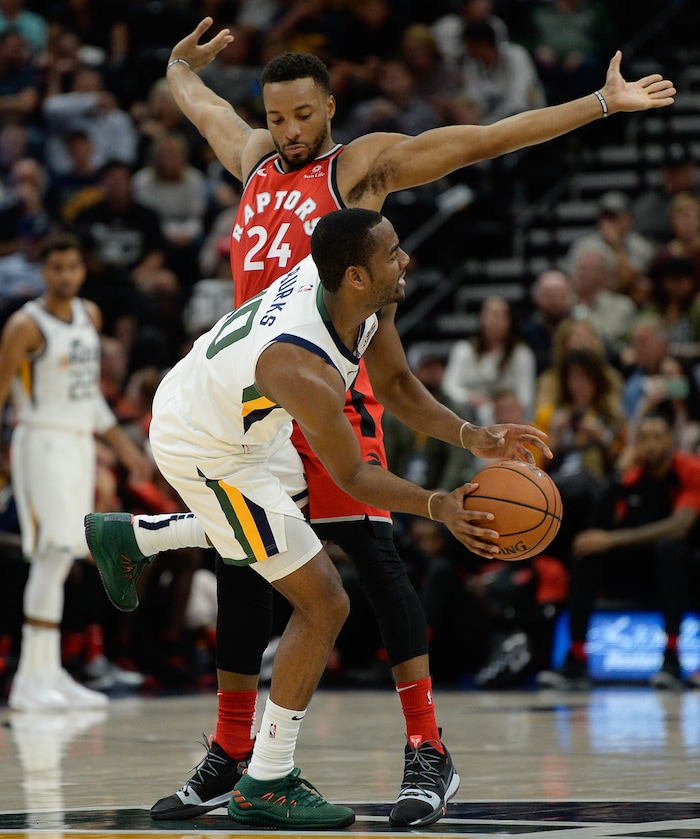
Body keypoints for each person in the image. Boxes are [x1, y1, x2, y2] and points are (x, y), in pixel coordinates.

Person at [85, 15, 675, 826]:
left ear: (330, 106)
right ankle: (231, 753)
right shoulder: (254, 161)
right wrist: (179, 69)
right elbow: (205, 109)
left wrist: (599, 105)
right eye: (277, 116)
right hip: (258, 397)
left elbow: (481, 141)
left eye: (304, 114)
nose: (290, 131)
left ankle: (427, 748)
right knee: (244, 563)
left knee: (370, 557)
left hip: (332, 383)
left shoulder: (360, 168)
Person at [86, 208, 553, 828]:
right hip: (203, 444)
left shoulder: (358, 291)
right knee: (325, 602)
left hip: (238, 412)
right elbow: (354, 477)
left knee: (280, 524)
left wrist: (473, 436)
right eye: (392, 254)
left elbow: (395, 382)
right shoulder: (302, 367)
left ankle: (138, 536)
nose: (405, 260)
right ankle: (267, 779)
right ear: (355, 275)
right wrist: (438, 505)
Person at [0, 232, 150, 711]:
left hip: (79, 444)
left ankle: (49, 673)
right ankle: (30, 678)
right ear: (43, 271)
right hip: (40, 441)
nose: (65, 275)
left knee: (66, 556)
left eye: (73, 267)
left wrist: (123, 447)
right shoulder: (25, 325)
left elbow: (89, 396)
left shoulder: (90, 315)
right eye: (57, 267)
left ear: (83, 270)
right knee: (52, 551)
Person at [537, 410, 700, 691]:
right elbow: (597, 528)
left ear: (671, 441)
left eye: (657, 437)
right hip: (640, 573)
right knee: (587, 550)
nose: (651, 445)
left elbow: (679, 527)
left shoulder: (688, 469)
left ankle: (672, 657)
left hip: (684, 576)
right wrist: (616, 476)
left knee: (668, 549)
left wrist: (612, 540)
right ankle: (576, 658)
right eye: (644, 438)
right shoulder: (631, 476)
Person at [442, 294, 537, 424]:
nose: (495, 321)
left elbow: (525, 397)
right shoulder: (464, 350)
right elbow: (448, 386)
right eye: (490, 315)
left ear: (510, 321)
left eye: (500, 316)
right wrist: (469, 397)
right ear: (481, 319)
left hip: (507, 416)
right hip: (469, 415)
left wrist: (504, 406)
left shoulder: (521, 354)